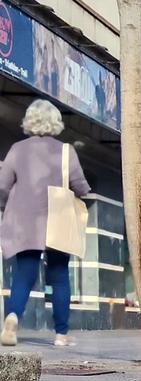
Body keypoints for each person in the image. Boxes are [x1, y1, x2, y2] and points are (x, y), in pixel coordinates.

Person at [0, 99, 91, 347]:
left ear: (29, 120)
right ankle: (61, 334)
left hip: (24, 222)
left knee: (24, 274)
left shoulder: (17, 149)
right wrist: (81, 191)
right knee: (59, 276)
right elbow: (80, 185)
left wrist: (9, 205)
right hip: (57, 219)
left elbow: (3, 185)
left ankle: (12, 317)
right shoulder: (66, 151)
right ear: (55, 122)